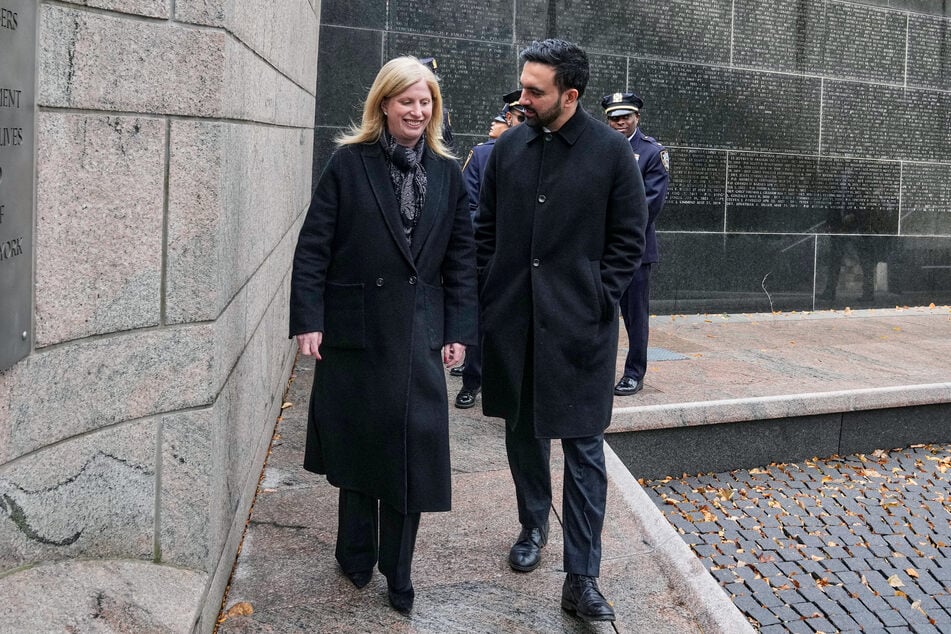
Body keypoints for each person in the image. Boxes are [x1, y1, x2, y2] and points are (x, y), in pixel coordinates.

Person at [289, 56, 477, 615]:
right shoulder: (349, 164)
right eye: (406, 101)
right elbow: (313, 246)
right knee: (360, 447)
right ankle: (354, 554)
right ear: (384, 105)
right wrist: (308, 319)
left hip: (419, 334)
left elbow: (462, 260)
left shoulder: (447, 173)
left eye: (425, 102)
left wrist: (458, 330)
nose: (417, 111)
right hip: (357, 333)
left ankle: (400, 570)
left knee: (410, 454)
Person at [475, 39, 647, 623]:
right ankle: (532, 525)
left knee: (583, 448)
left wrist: (597, 297)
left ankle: (582, 575)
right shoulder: (509, 148)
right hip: (514, 324)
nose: (521, 99)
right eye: (522, 85)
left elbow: (629, 241)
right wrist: (489, 295)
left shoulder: (611, 153)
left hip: (580, 331)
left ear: (569, 96)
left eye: (534, 91)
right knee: (523, 434)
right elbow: (485, 230)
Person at [452, 90, 526, 408]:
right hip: (489, 254)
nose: (523, 123)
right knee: (481, 321)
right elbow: (468, 205)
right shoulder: (482, 155)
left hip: (527, 261)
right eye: (518, 118)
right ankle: (473, 380)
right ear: (508, 118)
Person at [601, 92, 670, 396]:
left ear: (636, 118)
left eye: (625, 117)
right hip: (598, 249)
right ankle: (599, 371)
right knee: (599, 314)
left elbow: (649, 203)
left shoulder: (652, 152)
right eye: (614, 117)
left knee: (634, 317)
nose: (619, 122)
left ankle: (634, 372)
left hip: (634, 251)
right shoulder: (599, 147)